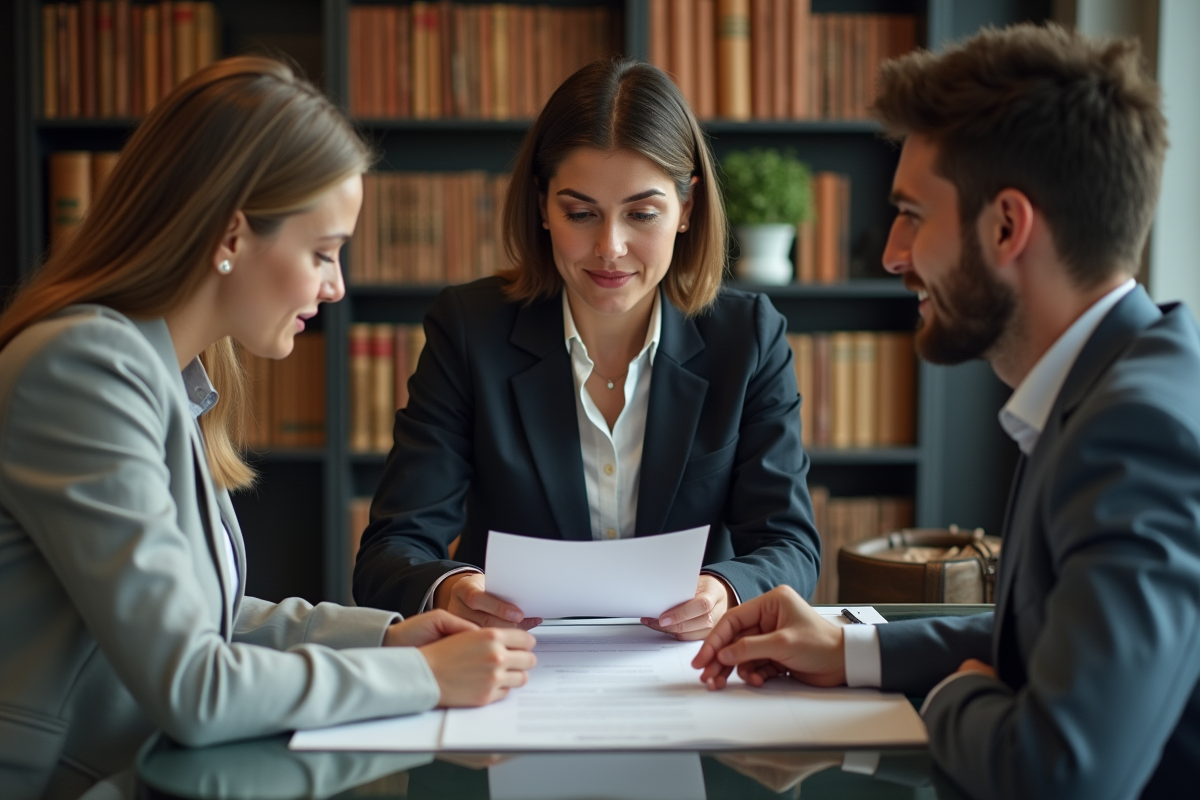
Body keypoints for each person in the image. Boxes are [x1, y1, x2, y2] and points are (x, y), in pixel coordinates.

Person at [0, 57, 536, 800]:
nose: (336, 285)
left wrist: (385, 639)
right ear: (232, 235)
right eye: (322, 252)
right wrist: (421, 676)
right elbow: (194, 684)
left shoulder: (162, 374)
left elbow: (206, 620)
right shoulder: (84, 370)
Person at [692, 23, 1199, 800]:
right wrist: (847, 647)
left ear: (1006, 226)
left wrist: (958, 694)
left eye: (913, 214)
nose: (893, 253)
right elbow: (1039, 629)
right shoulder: (1111, 387)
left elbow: (1064, 774)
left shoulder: (1139, 433)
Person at [354, 58, 821, 640]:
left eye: (642, 214)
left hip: (684, 664)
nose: (610, 247)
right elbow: (391, 549)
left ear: (687, 209)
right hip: (511, 662)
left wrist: (724, 590)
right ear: (542, 206)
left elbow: (789, 545)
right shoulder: (470, 329)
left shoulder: (748, 336)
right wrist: (452, 589)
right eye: (580, 213)